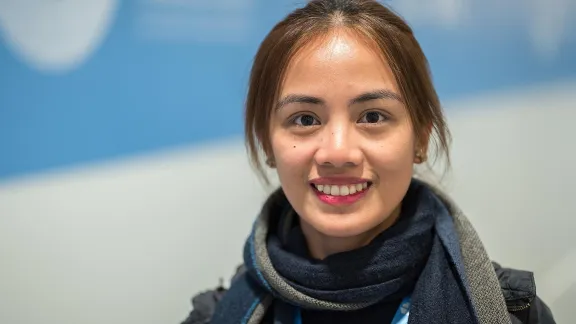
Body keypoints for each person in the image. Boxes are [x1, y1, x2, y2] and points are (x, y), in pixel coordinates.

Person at [182, 0, 555, 323]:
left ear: (420, 138)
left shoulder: (512, 313)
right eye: (305, 119)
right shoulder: (215, 316)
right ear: (267, 142)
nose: (338, 153)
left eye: (373, 116)